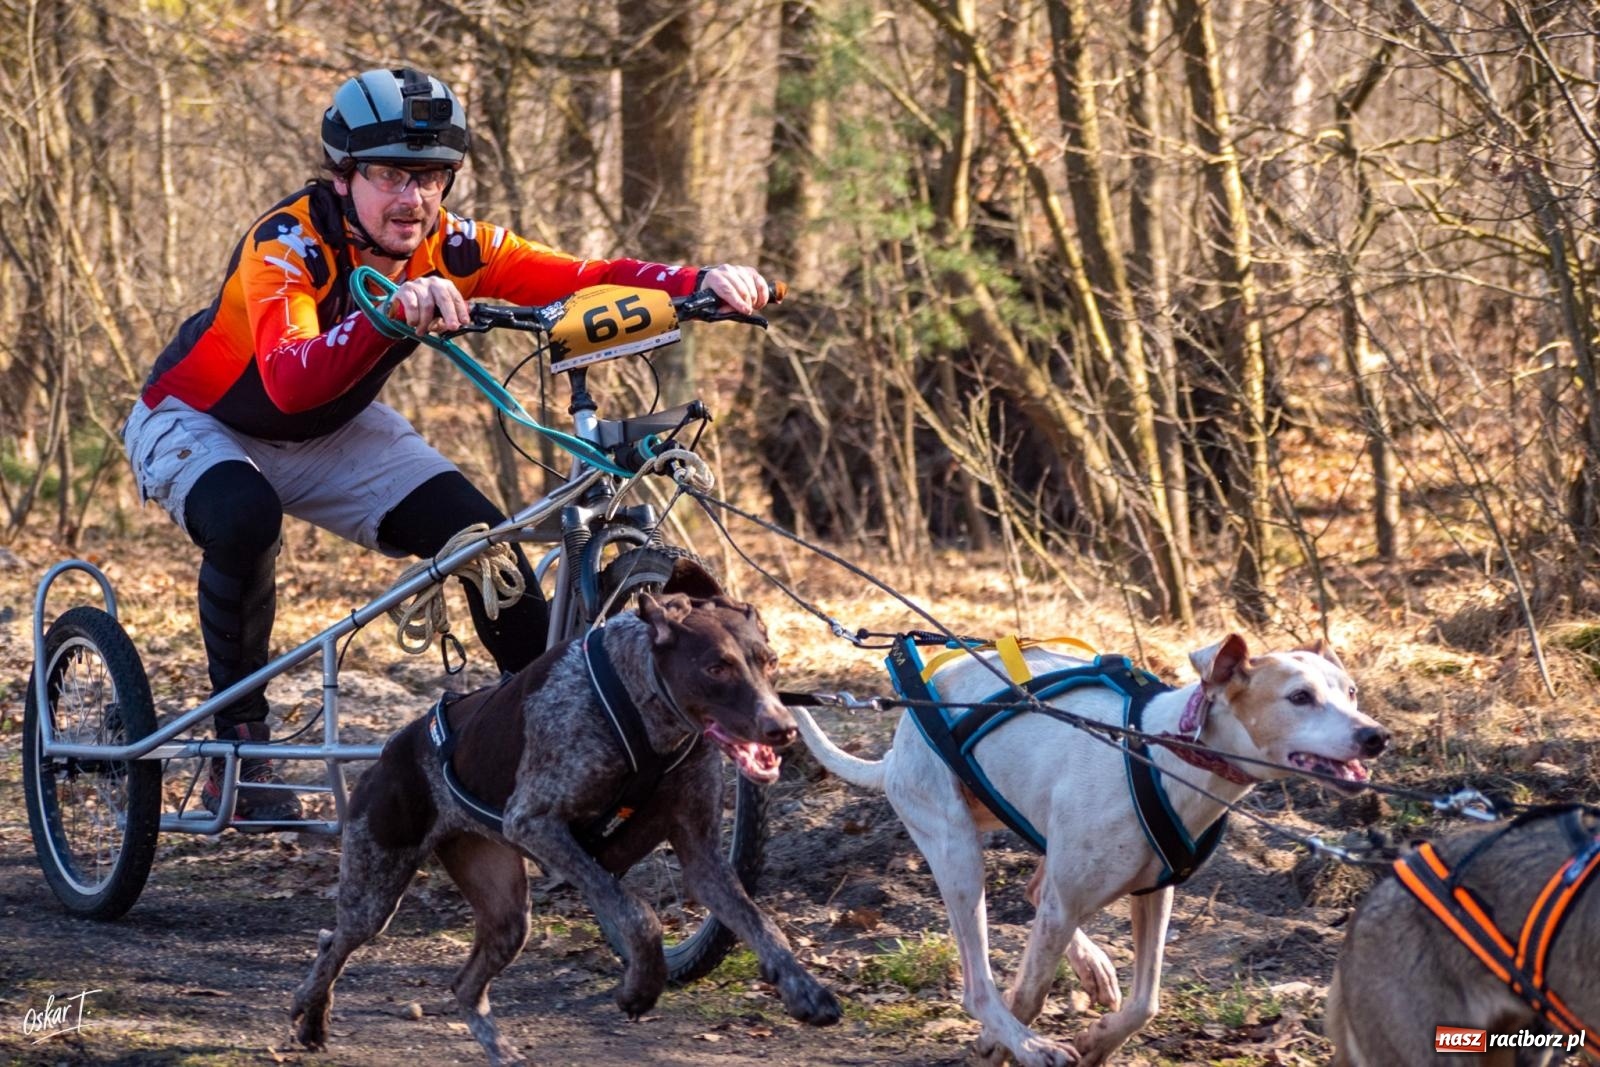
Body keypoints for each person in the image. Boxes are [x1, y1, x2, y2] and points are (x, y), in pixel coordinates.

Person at [122, 67, 771, 821]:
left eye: (431, 177)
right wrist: (388, 314)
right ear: (343, 177)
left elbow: (580, 277)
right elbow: (288, 379)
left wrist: (697, 281)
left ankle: (549, 751)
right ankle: (241, 747)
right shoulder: (286, 243)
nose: (413, 198)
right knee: (243, 515)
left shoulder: (450, 244)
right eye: (392, 174)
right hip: (199, 418)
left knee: (484, 544)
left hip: (331, 429)